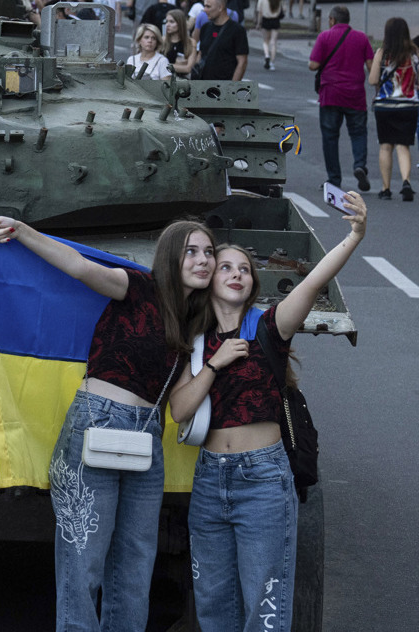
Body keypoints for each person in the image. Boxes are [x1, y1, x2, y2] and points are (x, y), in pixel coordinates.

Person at [0, 216, 215, 632]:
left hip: (146, 440)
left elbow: (179, 404)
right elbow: (77, 266)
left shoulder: (193, 321)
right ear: (170, 257)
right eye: (191, 251)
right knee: (82, 559)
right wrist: (23, 231)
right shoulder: (138, 286)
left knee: (135, 567)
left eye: (209, 252)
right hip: (97, 423)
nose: (203, 260)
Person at [169, 196, 367, 632]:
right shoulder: (197, 341)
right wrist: (215, 365)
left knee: (266, 607)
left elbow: (313, 282)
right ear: (208, 280)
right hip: (209, 480)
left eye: (244, 269)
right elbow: (181, 410)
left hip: (262, 481)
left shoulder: (268, 328)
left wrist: (353, 237)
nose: (237, 273)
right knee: (215, 607)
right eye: (226, 267)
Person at [310, 6, 374, 190]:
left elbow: (313, 65)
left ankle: (334, 179)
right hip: (355, 95)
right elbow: (371, 66)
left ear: (331, 20)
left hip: (330, 94)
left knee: (330, 137)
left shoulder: (324, 37)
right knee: (358, 133)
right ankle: (359, 165)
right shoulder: (361, 38)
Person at [367, 17, 419, 200]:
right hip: (409, 106)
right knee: (403, 146)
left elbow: (373, 80)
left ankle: (386, 188)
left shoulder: (382, 53)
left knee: (386, 146)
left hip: (385, 106)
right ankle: (406, 181)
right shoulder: (414, 53)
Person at [190, 0, 248, 81]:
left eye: (208, 6)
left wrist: (232, 87)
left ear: (220, 7)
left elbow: (242, 61)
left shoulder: (237, 30)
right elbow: (201, 54)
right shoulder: (205, 27)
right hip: (202, 85)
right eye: (204, 6)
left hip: (224, 85)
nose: (204, 10)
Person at [256, 0, 283, 71]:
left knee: (265, 41)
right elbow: (283, 10)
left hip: (266, 20)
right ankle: (272, 62)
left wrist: (258, 23)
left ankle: (267, 55)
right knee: (273, 42)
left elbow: (260, 12)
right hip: (275, 20)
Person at [162, 9, 195, 77]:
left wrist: (164, 65)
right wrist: (178, 66)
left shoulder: (190, 42)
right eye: (166, 21)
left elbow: (188, 69)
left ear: (180, 23)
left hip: (182, 81)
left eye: (171, 22)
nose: (167, 25)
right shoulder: (163, 40)